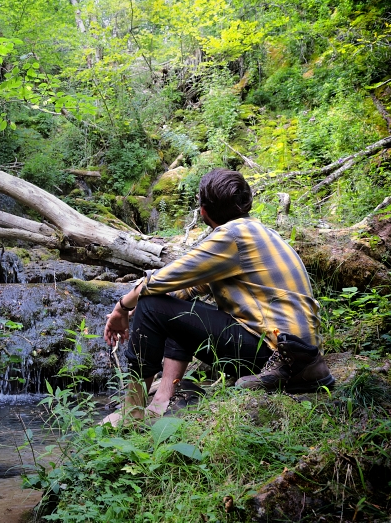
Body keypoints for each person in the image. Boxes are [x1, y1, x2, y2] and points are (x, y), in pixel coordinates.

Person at [102, 168, 333, 426]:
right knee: (170, 308)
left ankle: (131, 412)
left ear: (203, 212)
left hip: (278, 357)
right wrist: (136, 314)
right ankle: (162, 400)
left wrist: (123, 307)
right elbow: (185, 290)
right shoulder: (258, 232)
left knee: (151, 304)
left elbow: (162, 281)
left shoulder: (232, 236)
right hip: (299, 353)